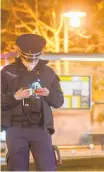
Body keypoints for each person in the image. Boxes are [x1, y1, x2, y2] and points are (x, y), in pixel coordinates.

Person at [1, 34, 64, 171]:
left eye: (35, 58)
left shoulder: (48, 72)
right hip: (15, 128)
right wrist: (14, 97)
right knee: (17, 169)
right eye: (28, 58)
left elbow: (59, 101)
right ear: (20, 53)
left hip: (41, 128)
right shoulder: (7, 72)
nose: (32, 62)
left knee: (47, 168)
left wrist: (48, 94)